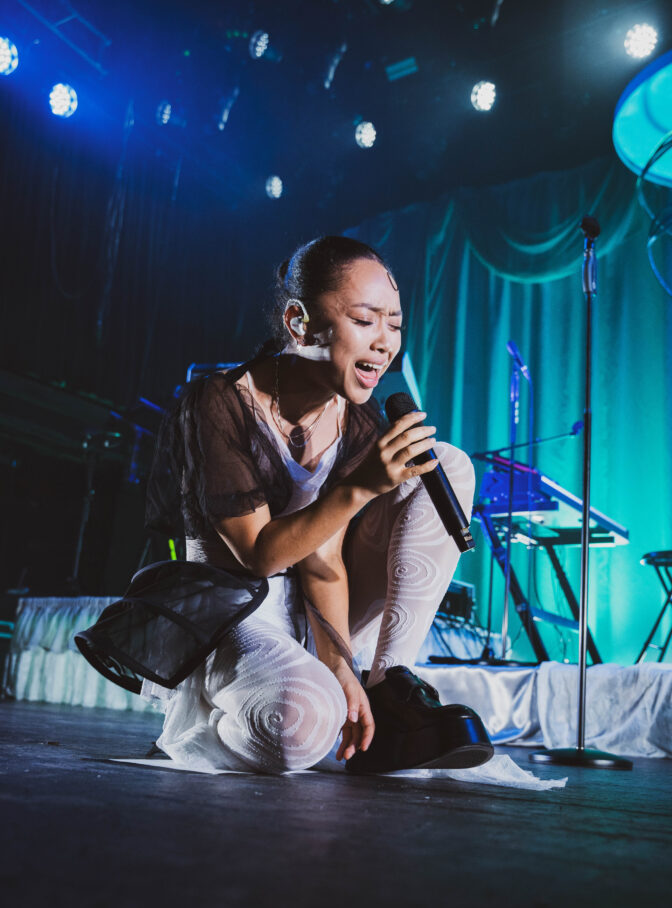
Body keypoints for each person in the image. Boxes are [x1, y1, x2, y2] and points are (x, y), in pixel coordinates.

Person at [142, 235, 494, 775]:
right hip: (238, 612)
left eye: (395, 324)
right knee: (298, 725)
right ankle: (214, 719)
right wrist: (359, 488)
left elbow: (324, 563)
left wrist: (345, 666)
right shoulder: (217, 401)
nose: (384, 342)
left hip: (315, 613)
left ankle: (390, 688)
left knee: (446, 463)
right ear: (299, 322)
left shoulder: (354, 420)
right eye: (365, 319)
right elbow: (259, 555)